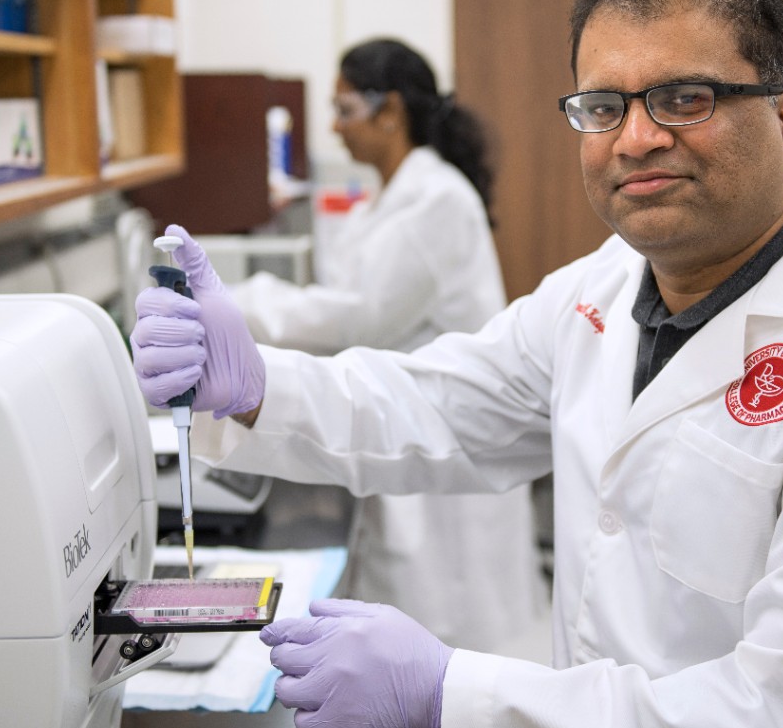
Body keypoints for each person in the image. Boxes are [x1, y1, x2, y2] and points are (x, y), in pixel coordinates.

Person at [131, 0, 783, 728]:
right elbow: (440, 404)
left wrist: (453, 691)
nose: (637, 138)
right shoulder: (602, 288)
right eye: (603, 107)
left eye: (684, 98)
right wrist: (257, 387)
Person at [226, 38, 545, 652]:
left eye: (345, 109)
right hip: (415, 429)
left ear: (391, 110)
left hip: (445, 440)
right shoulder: (398, 193)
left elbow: (358, 318)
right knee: (418, 627)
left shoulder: (435, 200)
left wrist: (240, 304)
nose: (335, 127)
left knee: (448, 635)